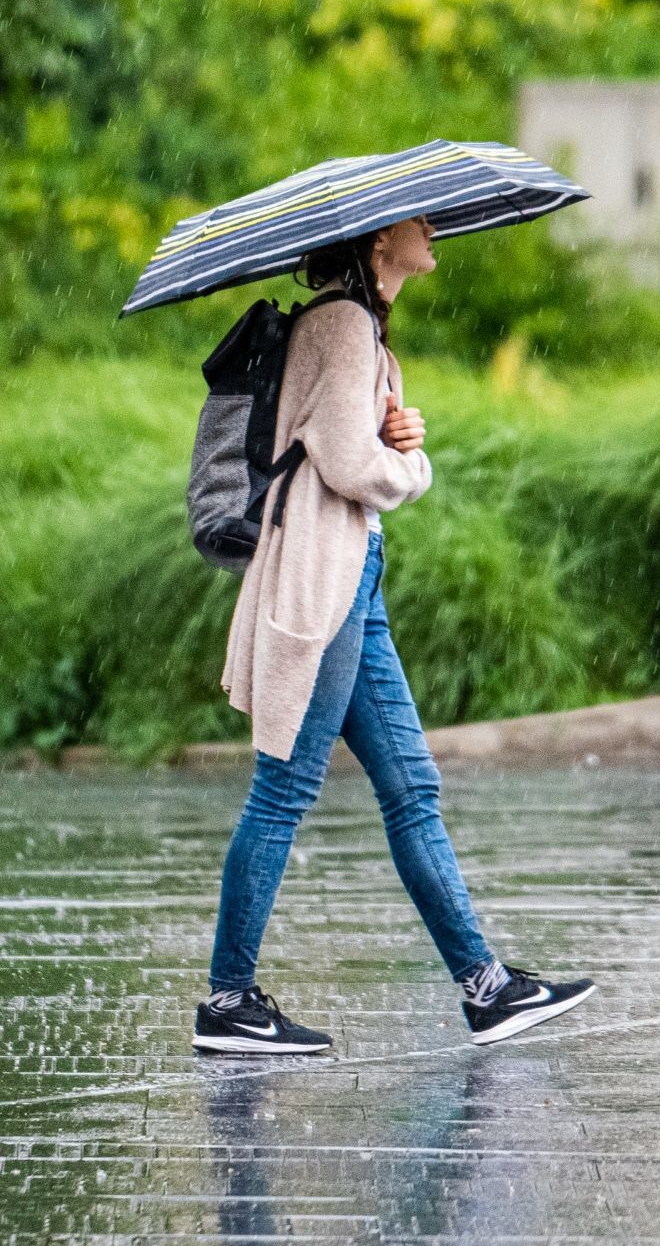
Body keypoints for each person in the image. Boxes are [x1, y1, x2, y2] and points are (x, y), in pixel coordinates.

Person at [194, 214, 597, 1055]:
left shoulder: (361, 330)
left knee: (411, 786)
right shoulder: (341, 323)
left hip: (353, 579)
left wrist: (390, 432)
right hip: (324, 579)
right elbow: (349, 465)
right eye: (420, 223)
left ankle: (486, 988)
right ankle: (228, 999)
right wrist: (411, 464)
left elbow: (342, 441)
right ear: (381, 243)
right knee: (282, 789)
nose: (434, 230)